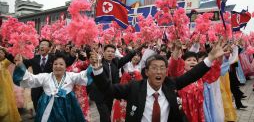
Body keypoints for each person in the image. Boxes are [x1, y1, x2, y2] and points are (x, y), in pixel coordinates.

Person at [90, 41, 229, 122]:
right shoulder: (134, 88)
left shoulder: (170, 85)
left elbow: (192, 75)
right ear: (146, 72)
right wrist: (97, 69)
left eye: (162, 68)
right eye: (155, 68)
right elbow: (108, 89)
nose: (159, 72)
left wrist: (210, 58)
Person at [13, 52, 92, 122]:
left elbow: (83, 76)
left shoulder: (71, 76)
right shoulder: (45, 77)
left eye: (61, 64)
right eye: (55, 64)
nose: (58, 66)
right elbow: (31, 79)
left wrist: (94, 65)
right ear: (52, 65)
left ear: (65, 66)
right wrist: (20, 65)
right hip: (48, 106)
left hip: (67, 106)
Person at [87, 44, 138, 122]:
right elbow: (94, 69)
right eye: (108, 51)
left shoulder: (115, 62)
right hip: (100, 94)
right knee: (106, 116)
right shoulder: (99, 62)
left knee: (108, 114)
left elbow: (126, 58)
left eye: (112, 52)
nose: (110, 53)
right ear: (103, 53)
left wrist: (135, 50)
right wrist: (95, 62)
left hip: (110, 93)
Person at [0, 47, 21, 122]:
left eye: (1, 53)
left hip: (4, 90)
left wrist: (3, 48)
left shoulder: (4, 63)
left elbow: (12, 57)